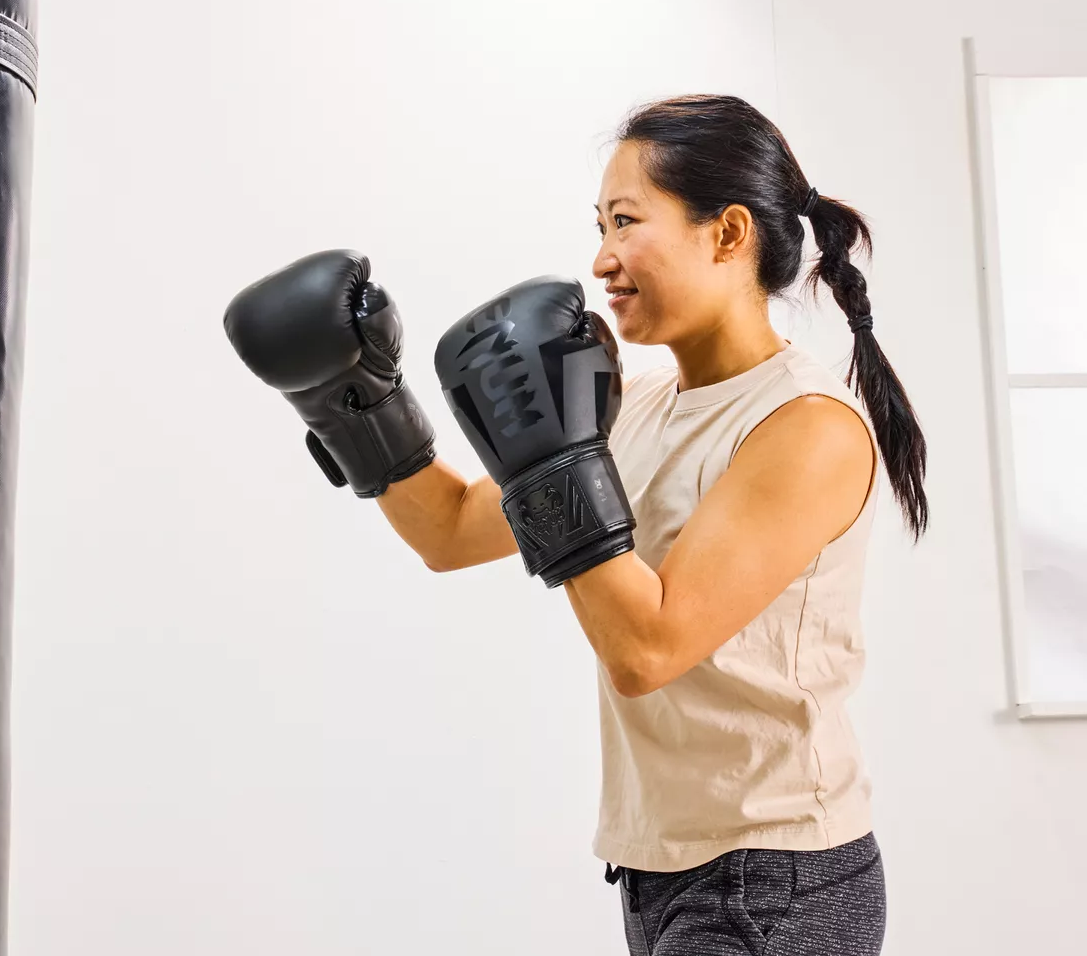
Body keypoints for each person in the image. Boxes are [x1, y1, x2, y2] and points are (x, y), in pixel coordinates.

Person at [224, 94, 925, 955]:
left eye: (627, 221)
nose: (602, 258)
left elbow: (648, 649)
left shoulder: (806, 425)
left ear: (728, 233)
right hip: (662, 868)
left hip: (776, 875)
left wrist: (554, 457)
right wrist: (356, 401)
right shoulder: (635, 405)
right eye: (598, 224)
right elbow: (447, 532)